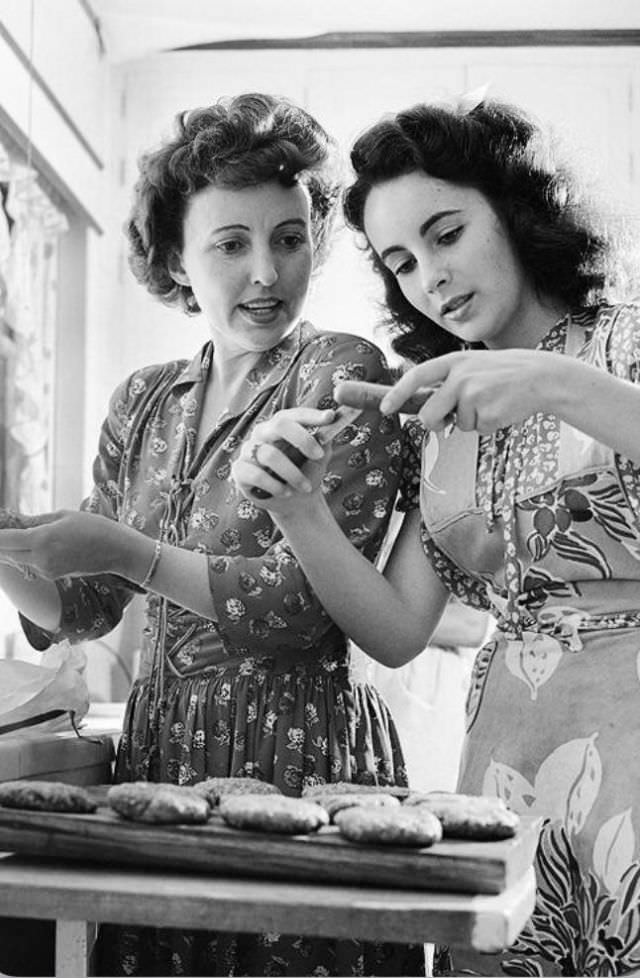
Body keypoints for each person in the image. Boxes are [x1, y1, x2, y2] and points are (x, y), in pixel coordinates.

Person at [0, 93, 425, 977]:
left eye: (290, 237)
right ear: (175, 258)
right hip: (159, 762)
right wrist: (11, 553)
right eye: (231, 244)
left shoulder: (339, 375)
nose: (266, 272)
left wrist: (124, 550)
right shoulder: (143, 401)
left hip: (304, 755)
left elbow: (300, 609)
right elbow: (82, 608)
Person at [231, 94, 640, 977]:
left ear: (516, 212)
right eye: (403, 262)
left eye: (447, 234)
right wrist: (298, 510)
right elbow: (396, 628)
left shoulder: (626, 340)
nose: (431, 279)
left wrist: (554, 383)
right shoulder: (439, 418)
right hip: (506, 768)